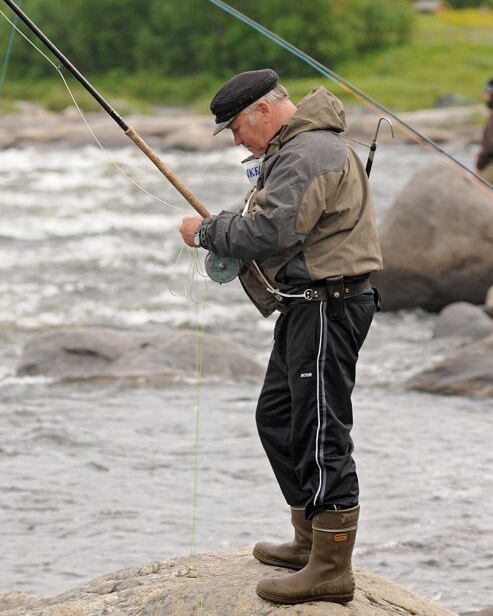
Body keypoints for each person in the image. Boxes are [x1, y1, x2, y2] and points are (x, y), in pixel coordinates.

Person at [178, 69, 383, 605]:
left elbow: (274, 230)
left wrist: (205, 232)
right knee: (277, 416)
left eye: (238, 129)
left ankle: (332, 567)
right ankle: (308, 539)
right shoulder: (300, 147)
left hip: (329, 307)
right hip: (306, 307)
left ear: (263, 112)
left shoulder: (308, 152)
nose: (238, 141)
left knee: (320, 429)